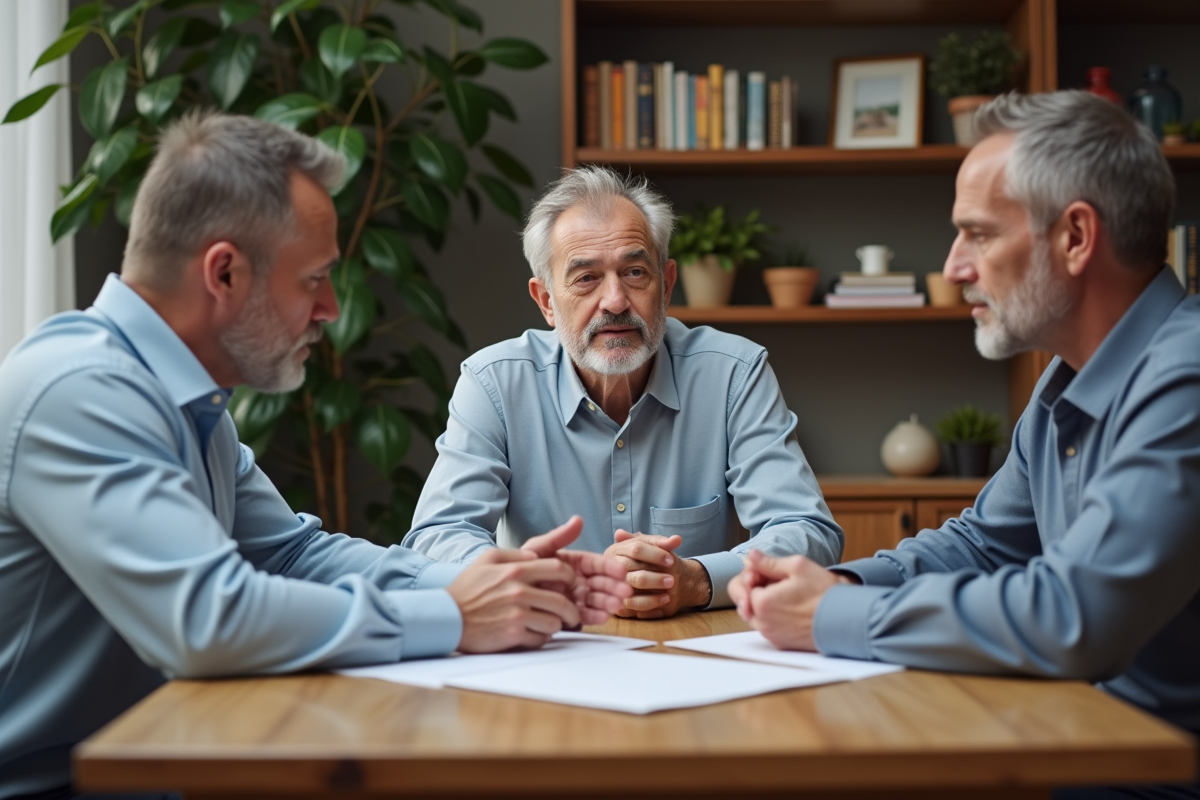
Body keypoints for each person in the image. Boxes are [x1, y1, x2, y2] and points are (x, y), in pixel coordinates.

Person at [0, 112, 633, 800]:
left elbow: (295, 555)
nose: (332, 308)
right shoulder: (80, 391)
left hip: (157, 769)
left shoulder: (186, 400)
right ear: (225, 273)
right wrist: (456, 616)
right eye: (314, 279)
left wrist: (490, 581)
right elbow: (208, 621)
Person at [729, 91, 1200, 799]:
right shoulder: (1062, 389)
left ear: (1075, 237)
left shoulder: (1187, 377)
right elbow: (981, 545)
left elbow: (1077, 617)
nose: (953, 268)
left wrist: (828, 616)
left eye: (977, 234)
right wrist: (838, 584)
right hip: (1078, 749)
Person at [403, 166, 843, 618]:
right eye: (586, 277)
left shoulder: (733, 374)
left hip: (693, 652)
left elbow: (805, 529)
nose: (614, 300)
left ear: (666, 285)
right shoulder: (493, 383)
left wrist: (696, 579)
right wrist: (555, 581)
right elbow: (437, 536)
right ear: (547, 301)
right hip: (547, 652)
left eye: (634, 272)